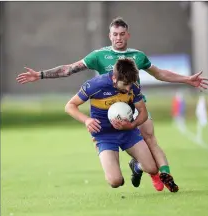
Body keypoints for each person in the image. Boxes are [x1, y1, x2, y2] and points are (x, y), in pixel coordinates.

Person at [16, 17, 208, 192]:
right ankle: (142, 166)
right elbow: (69, 69)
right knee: (117, 178)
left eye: (122, 34)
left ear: (128, 35)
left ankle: (153, 172)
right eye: (115, 34)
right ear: (110, 36)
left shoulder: (138, 56)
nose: (118, 38)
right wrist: (40, 74)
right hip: (107, 112)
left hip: (134, 106)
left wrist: (186, 79)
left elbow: (160, 74)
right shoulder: (98, 56)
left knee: (150, 138)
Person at [65, 58, 159, 189]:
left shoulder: (133, 86)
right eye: (125, 84)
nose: (128, 88)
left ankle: (136, 166)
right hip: (104, 135)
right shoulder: (95, 85)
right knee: (115, 182)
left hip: (128, 132)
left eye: (130, 84)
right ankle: (116, 175)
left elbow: (143, 111)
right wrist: (87, 120)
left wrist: (132, 125)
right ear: (114, 78)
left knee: (153, 169)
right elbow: (70, 106)